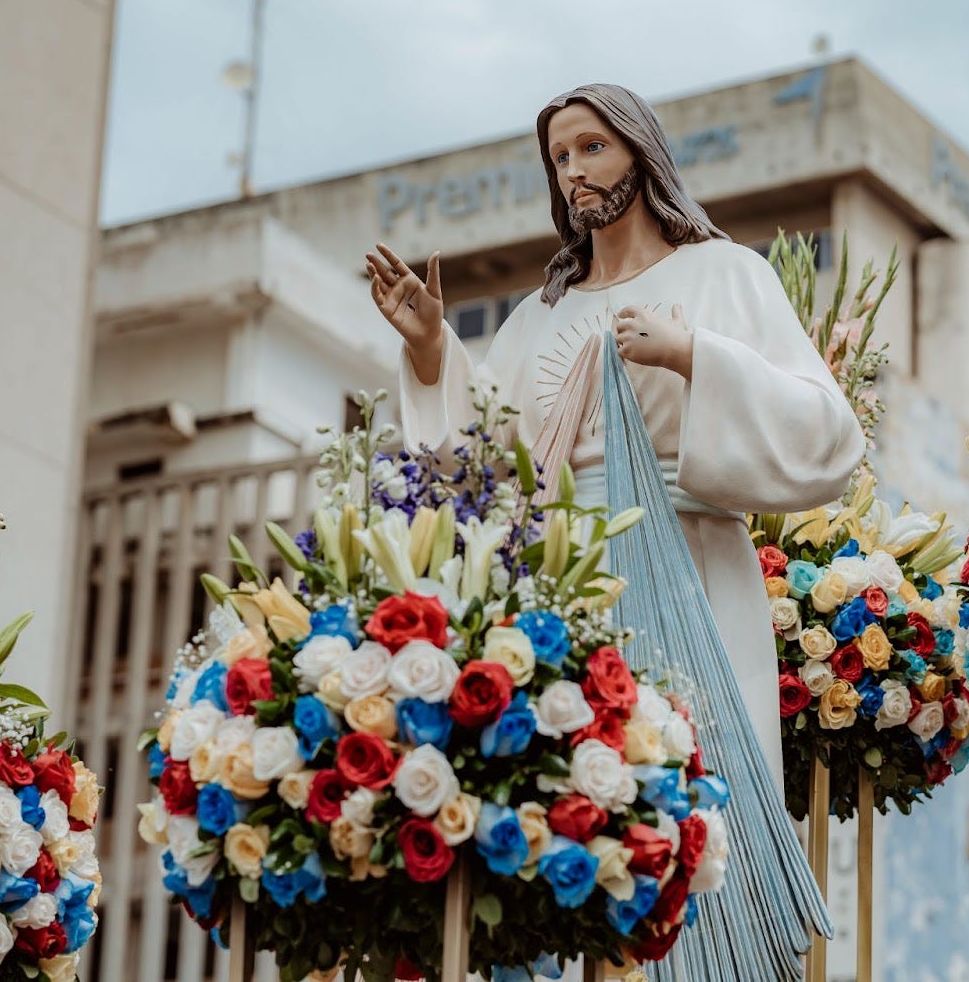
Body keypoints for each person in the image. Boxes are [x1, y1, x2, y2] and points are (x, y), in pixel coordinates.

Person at [367, 83, 863, 788]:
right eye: (560, 156)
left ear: (643, 152)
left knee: (700, 781)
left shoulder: (727, 275)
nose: (573, 169)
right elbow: (477, 472)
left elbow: (827, 436)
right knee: (578, 795)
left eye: (592, 147)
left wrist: (693, 355)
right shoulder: (538, 318)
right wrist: (428, 351)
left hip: (695, 569)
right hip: (565, 582)